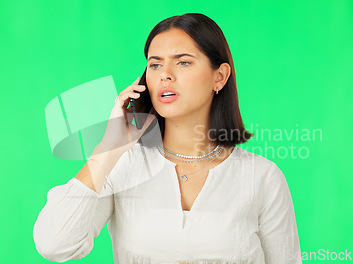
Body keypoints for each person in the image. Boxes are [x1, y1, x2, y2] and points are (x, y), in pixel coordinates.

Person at [33, 13, 302, 263]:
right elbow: (54, 244)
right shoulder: (122, 165)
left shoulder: (262, 177)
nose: (165, 75)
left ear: (219, 77)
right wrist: (108, 148)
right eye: (155, 64)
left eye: (183, 62)